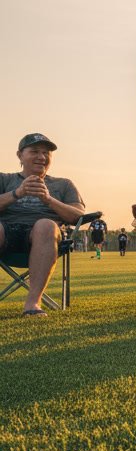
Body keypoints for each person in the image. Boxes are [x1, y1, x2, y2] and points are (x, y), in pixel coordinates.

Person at [0, 133, 86, 316]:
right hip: (6, 234)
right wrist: (17, 193)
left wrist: (48, 200)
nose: (42, 157)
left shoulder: (63, 184)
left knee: (45, 225)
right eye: (35, 151)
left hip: (45, 238)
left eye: (46, 153)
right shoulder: (4, 180)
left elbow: (78, 216)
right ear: (20, 155)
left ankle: (32, 304)